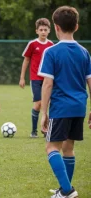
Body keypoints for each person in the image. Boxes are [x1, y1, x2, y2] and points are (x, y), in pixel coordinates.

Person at [39, 6, 91, 198]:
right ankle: (64, 187)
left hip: (61, 108)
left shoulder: (51, 52)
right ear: (76, 26)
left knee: (51, 147)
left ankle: (67, 190)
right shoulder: (84, 52)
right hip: (79, 107)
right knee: (69, 148)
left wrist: (44, 112)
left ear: (56, 27)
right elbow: (90, 82)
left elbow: (47, 84)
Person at [19, 18, 53, 138]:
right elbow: (26, 60)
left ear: (49, 31)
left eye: (45, 29)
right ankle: (34, 131)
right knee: (38, 103)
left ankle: (46, 129)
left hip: (48, 79)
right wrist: (22, 77)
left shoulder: (51, 45)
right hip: (35, 79)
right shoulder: (32, 44)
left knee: (47, 104)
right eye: (41, 30)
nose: (43, 32)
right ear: (37, 31)